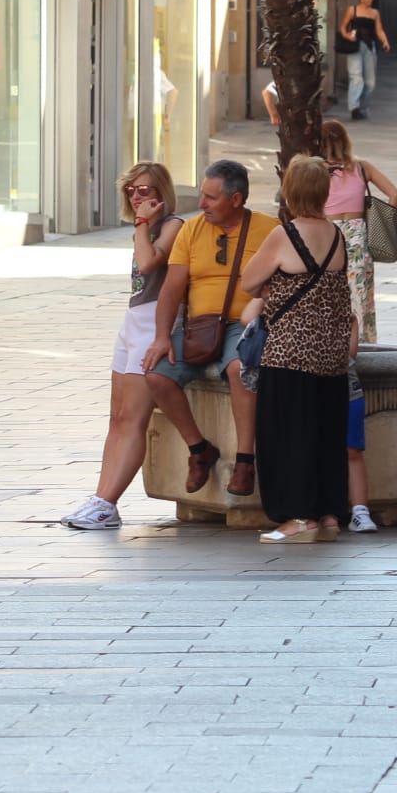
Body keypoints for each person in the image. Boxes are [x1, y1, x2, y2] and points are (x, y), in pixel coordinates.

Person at [239, 157, 358, 544]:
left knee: (287, 437)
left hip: (289, 354)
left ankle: (296, 516)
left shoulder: (284, 235)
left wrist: (270, 288)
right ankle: (327, 514)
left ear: (290, 191)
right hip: (331, 356)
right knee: (325, 435)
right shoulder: (338, 235)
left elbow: (249, 281)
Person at [63, 163, 184, 530]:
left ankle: (108, 501)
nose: (136, 196)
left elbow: (149, 265)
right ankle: (101, 498)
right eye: (131, 190)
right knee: (116, 419)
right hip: (134, 319)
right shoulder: (145, 227)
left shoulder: (173, 225)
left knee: (133, 419)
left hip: (154, 320)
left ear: (161, 192)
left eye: (144, 190)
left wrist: (143, 224)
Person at [144, 160, 266, 498]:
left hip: (243, 325)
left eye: (211, 198)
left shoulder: (268, 229)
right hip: (200, 326)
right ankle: (199, 450)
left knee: (240, 369)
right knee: (156, 374)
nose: (202, 204)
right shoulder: (191, 230)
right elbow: (171, 288)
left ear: (237, 200)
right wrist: (161, 336)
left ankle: (244, 461)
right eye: (202, 195)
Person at [321, 120, 397, 343]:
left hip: (328, 233)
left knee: (328, 290)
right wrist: (383, 223)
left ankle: (331, 340)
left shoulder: (317, 170)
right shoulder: (362, 168)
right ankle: (362, 341)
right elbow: (395, 194)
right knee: (359, 291)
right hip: (358, 233)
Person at [339, 0, 388, 120]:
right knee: (356, 77)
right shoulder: (352, 10)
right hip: (355, 46)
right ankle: (354, 108)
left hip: (369, 47)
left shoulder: (375, 13)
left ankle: (362, 107)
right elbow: (343, 27)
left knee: (370, 82)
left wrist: (385, 41)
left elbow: (379, 30)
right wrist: (348, 36)